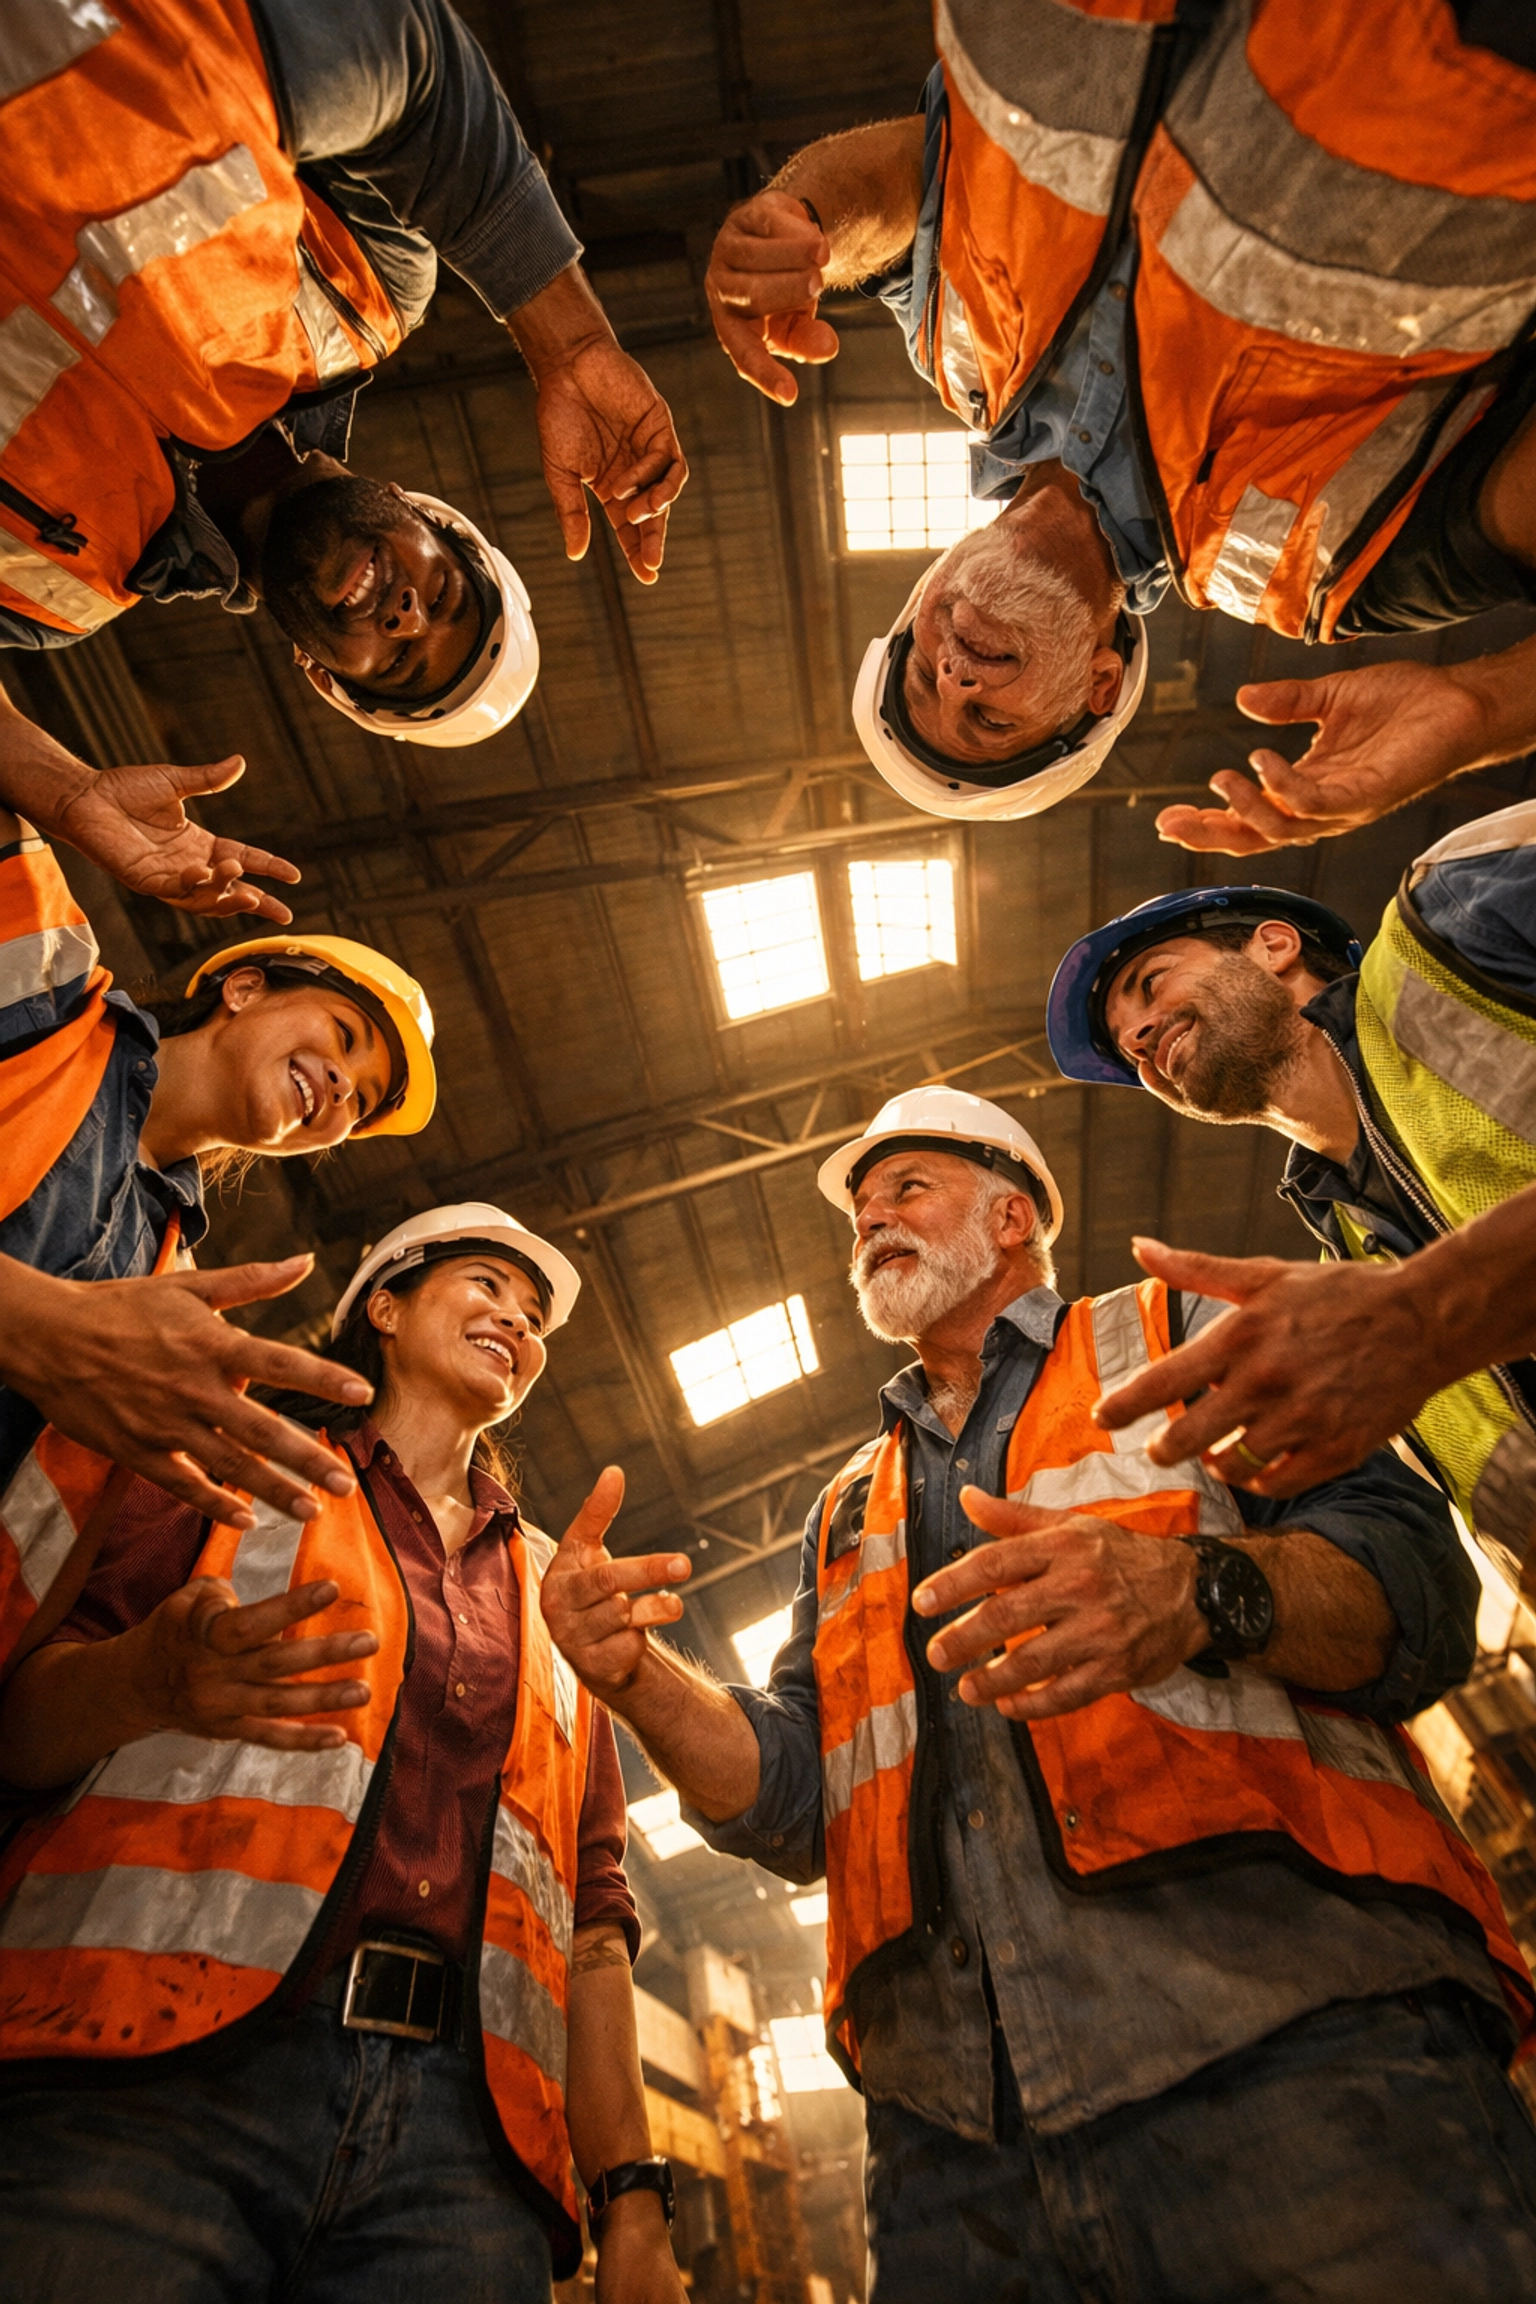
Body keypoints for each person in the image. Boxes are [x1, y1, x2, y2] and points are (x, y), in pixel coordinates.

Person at [540, 1087, 1536, 2304]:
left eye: (906, 1187)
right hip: (953, 2153)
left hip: (1294, 2050)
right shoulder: (847, 1511)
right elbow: (802, 1804)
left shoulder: (1179, 1334)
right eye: (861, 1207)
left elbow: (1420, 1586)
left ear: (1013, 1215)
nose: (871, 1220)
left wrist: (1195, 1589)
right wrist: (637, 1677)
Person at [0, 1203, 684, 2304]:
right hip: (143, 2089)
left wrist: (635, 2209)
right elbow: (20, 1728)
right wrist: (147, 1680)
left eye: (534, 1314)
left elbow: (592, 1924)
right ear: (385, 1304)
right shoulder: (224, 1462)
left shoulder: (563, 1594)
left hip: (465, 2158)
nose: (517, 1317)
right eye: (485, 1284)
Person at [702, 3, 1536, 822]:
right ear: (1099, 686)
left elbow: (919, 177)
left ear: (921, 601)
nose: (956, 681)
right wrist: (1486, 705)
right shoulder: (1327, 565)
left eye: (923, 674)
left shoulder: (951, 346)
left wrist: (804, 220)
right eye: (990, 719)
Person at [1, 0, 687, 747]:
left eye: (397, 662)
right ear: (422, 514)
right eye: (443, 594)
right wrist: (571, 344)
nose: (405, 617)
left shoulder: (49, 595)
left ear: (319, 674)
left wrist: (48, 782)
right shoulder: (365, 288)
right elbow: (408, 63)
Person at [0, 733, 437, 1669]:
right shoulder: (38, 985)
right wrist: (73, 794)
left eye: (359, 1104)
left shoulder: (179, 1308)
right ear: (244, 986)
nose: (341, 1092)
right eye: (347, 1036)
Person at [1046, 799, 1536, 1582]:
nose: (1138, 1039)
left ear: (1273, 946)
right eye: (1126, 1047)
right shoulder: (1340, 1278)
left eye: (1150, 982)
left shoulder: (1450, 927)